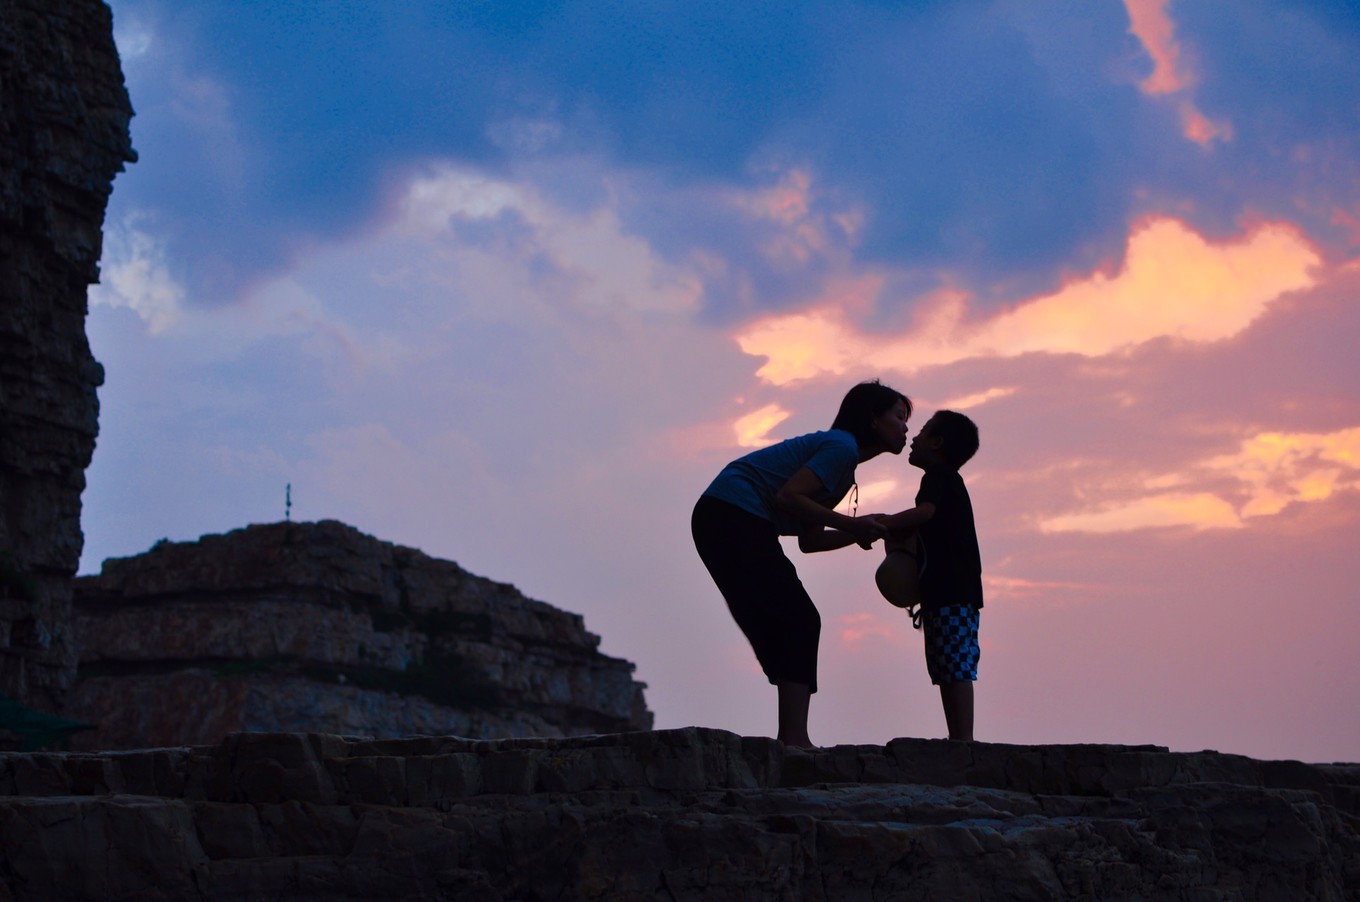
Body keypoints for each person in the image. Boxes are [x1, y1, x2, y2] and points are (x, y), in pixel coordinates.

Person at [691, 380, 911, 748]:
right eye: (899, 417)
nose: (905, 428)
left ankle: (792, 736)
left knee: (790, 621)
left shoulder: (843, 467)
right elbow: (788, 496)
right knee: (799, 619)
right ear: (874, 418)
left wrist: (863, 530)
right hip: (731, 513)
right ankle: (794, 739)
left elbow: (810, 541)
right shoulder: (841, 448)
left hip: (726, 516)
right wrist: (853, 525)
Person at [875, 410, 982, 741]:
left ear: (936, 443)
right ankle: (958, 738)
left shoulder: (939, 477)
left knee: (955, 664)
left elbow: (925, 513)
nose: (913, 437)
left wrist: (884, 523)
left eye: (922, 431)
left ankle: (963, 739)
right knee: (946, 665)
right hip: (945, 590)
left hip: (952, 590)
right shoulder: (945, 479)